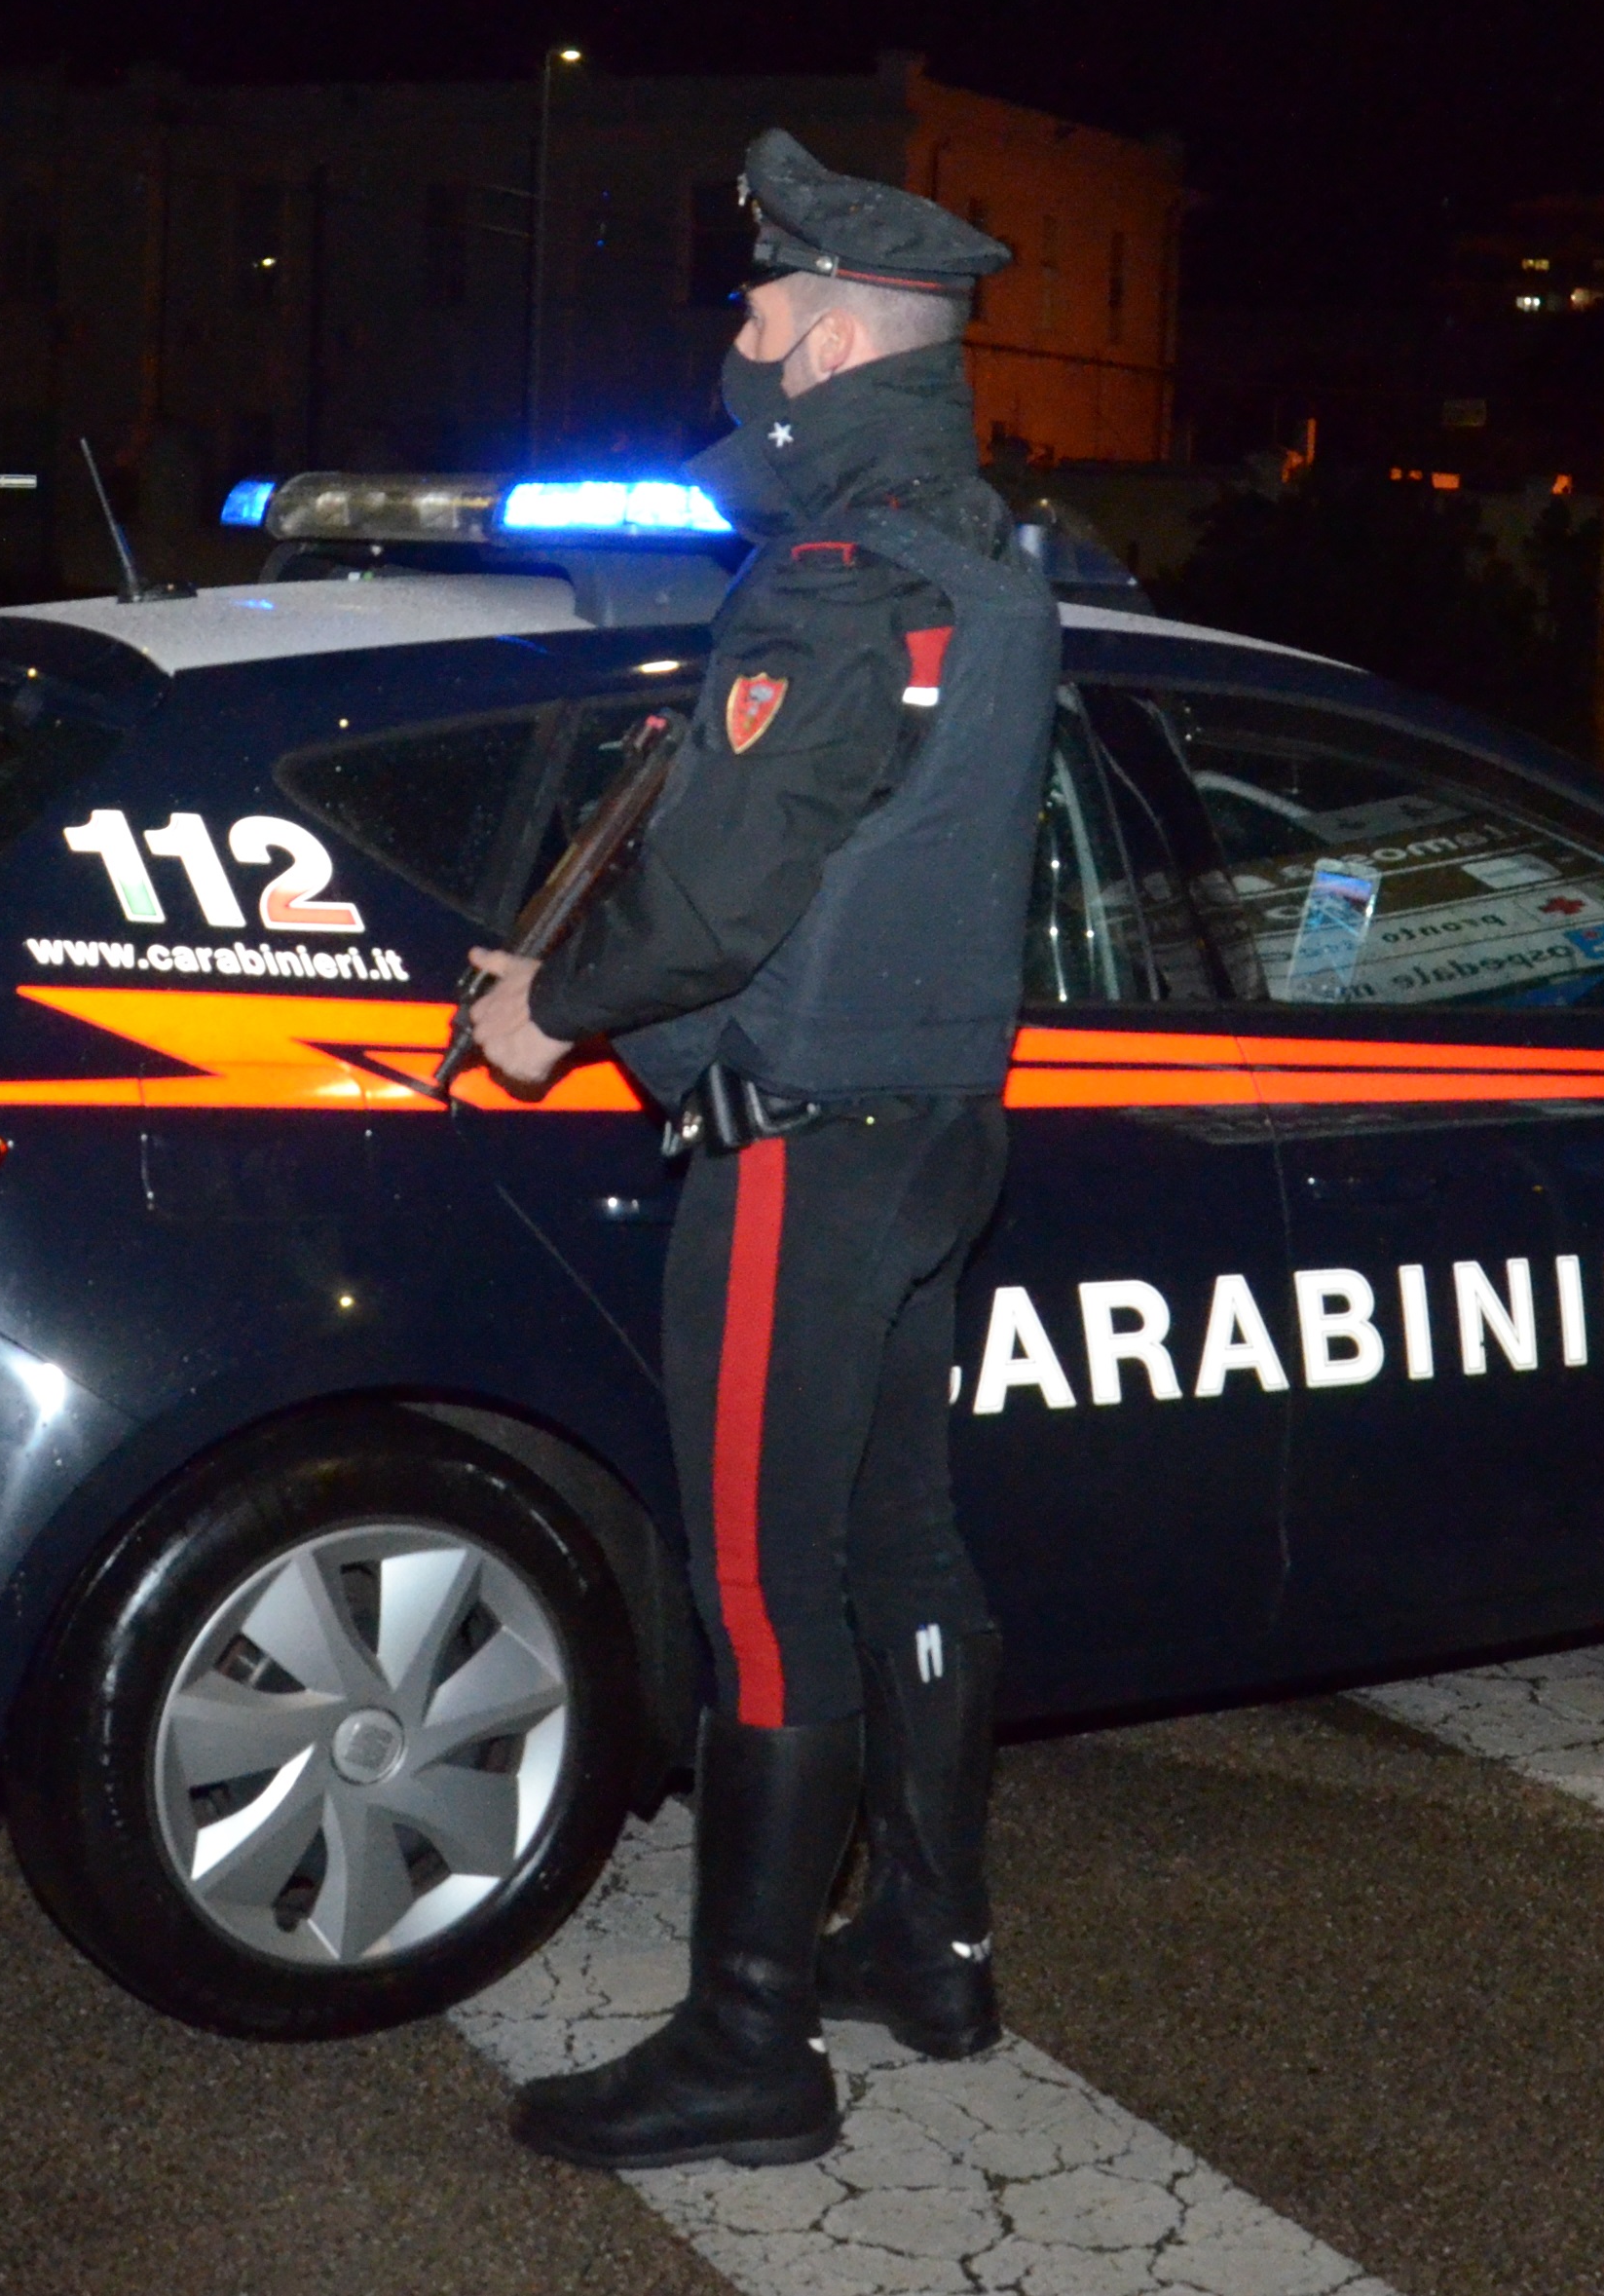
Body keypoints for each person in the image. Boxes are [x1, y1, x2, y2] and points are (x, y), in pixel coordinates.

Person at [466, 129, 1051, 2168]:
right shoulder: (979, 549)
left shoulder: (833, 576)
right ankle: (932, 1940)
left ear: (826, 330)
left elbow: (718, 887)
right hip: (929, 1129)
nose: (738, 333)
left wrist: (544, 1010)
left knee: (755, 1583)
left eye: (756, 301)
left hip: (800, 1147)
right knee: (902, 1545)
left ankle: (750, 2040)